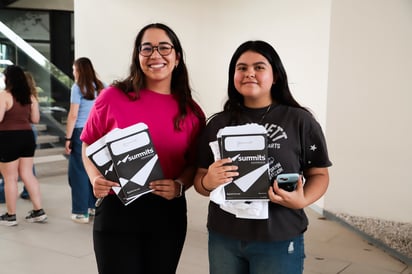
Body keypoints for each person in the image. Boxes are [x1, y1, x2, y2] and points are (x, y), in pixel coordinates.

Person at [194, 40, 332, 274]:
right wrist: (208, 181)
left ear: (275, 75)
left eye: (259, 67)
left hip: (279, 235)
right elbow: (199, 180)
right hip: (224, 236)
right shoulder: (218, 123)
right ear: (233, 76)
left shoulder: (300, 120)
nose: (249, 73)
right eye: (242, 68)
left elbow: (319, 173)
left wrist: (303, 200)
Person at [80, 23, 205, 274]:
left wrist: (180, 184)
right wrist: (95, 178)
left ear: (177, 57)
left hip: (166, 213)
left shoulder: (191, 112)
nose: (155, 55)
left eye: (164, 48)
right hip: (117, 210)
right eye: (146, 48)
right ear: (138, 56)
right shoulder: (112, 97)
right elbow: (88, 143)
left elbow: (194, 164)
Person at [0, 65, 48, 226]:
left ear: (8, 79)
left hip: (8, 138)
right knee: (27, 174)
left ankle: (11, 215)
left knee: (10, 177)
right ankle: (38, 211)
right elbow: (35, 120)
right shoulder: (30, 97)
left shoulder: (4, 96)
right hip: (27, 137)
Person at [65, 57, 105, 224]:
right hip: (98, 132)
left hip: (81, 132)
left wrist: (68, 137)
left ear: (79, 70)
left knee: (78, 172)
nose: (74, 73)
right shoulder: (102, 86)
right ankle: (92, 207)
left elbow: (73, 115)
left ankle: (80, 212)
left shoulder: (77, 87)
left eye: (74, 70)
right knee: (93, 170)